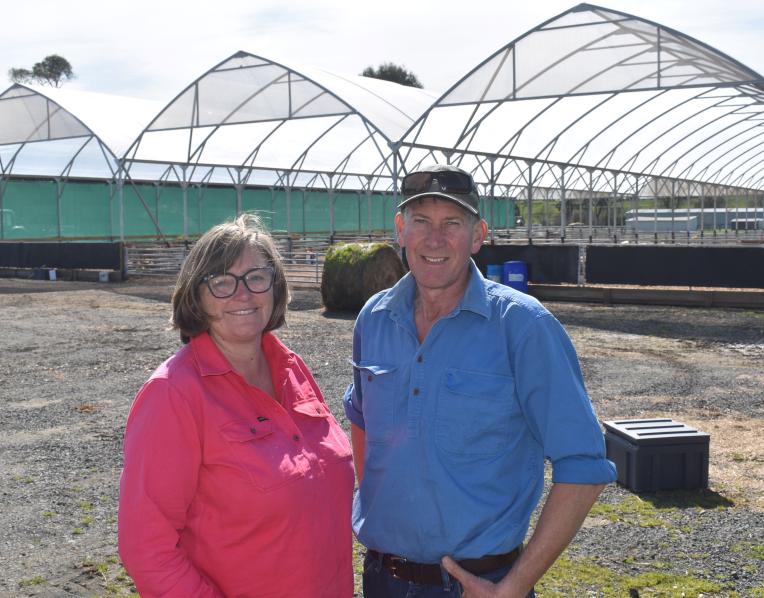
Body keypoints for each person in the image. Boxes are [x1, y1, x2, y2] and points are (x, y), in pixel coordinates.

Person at [343, 164, 616, 598]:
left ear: (477, 235)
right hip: (383, 579)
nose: (435, 240)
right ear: (400, 229)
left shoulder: (523, 327)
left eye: (452, 224)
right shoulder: (373, 318)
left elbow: (584, 466)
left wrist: (513, 586)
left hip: (477, 586)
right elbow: (362, 421)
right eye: (421, 222)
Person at [119, 214, 354, 598]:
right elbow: (146, 548)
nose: (242, 294)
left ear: (275, 287)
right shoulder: (173, 394)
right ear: (196, 296)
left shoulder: (293, 369)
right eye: (221, 282)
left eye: (256, 277)